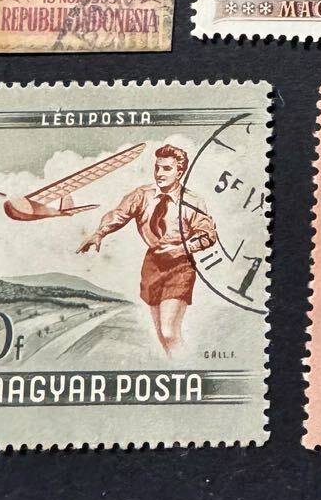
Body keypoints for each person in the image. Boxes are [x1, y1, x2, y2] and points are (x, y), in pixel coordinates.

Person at [77, 145, 217, 355]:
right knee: (161, 333)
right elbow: (119, 214)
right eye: (157, 167)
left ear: (180, 172)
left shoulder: (192, 201)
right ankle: (175, 367)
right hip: (152, 265)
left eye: (167, 168)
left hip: (180, 265)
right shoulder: (142, 195)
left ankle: (186, 366)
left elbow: (208, 235)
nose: (160, 173)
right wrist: (100, 233)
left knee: (169, 332)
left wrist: (182, 248)